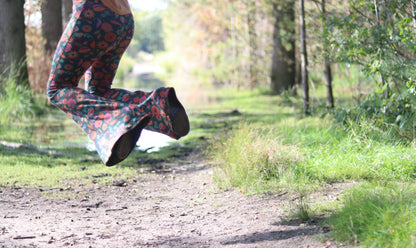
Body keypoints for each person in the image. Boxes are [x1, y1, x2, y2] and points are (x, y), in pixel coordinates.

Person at [46, 0, 190, 166]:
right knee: (98, 92)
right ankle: (159, 105)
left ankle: (121, 118)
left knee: (57, 89)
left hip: (92, 14)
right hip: (123, 20)